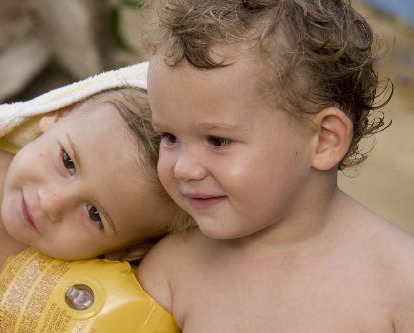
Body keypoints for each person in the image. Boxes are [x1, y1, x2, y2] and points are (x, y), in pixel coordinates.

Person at [137, 0, 414, 332]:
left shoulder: (400, 284)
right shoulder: (171, 273)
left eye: (217, 141)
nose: (183, 168)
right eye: (169, 137)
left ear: (324, 140)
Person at [0, 85, 191, 332]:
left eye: (94, 214)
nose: (51, 202)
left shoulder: (71, 302)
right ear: (58, 115)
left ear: (127, 251)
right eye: (67, 161)